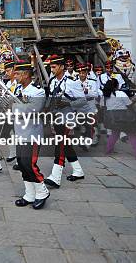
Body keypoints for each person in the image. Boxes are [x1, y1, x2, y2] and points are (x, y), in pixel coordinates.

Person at [44, 55, 86, 188]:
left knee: (60, 145)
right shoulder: (52, 82)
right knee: (66, 145)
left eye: (54, 66)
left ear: (62, 67)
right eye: (50, 67)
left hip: (67, 117)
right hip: (56, 117)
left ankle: (55, 177)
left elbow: (83, 101)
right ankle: (78, 171)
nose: (52, 69)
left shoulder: (72, 81)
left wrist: (67, 104)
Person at [13, 59, 49, 210]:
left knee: (30, 164)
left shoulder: (37, 91)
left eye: (18, 73)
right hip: (20, 132)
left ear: (27, 74)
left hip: (32, 133)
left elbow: (33, 110)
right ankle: (29, 194)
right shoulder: (18, 89)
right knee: (21, 163)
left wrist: (13, 106)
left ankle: (42, 191)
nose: (15, 76)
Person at [102, 79, 136, 160]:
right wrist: (134, 99)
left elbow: (103, 106)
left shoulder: (105, 95)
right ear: (116, 86)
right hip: (124, 118)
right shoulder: (121, 93)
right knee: (132, 135)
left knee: (114, 134)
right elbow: (129, 105)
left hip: (112, 118)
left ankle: (108, 151)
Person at [76, 63, 99, 147]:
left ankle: (93, 139)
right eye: (80, 72)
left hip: (90, 105)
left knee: (92, 123)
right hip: (80, 106)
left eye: (83, 72)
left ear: (86, 73)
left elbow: (96, 94)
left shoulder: (92, 82)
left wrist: (87, 92)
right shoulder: (75, 82)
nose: (82, 74)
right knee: (82, 124)